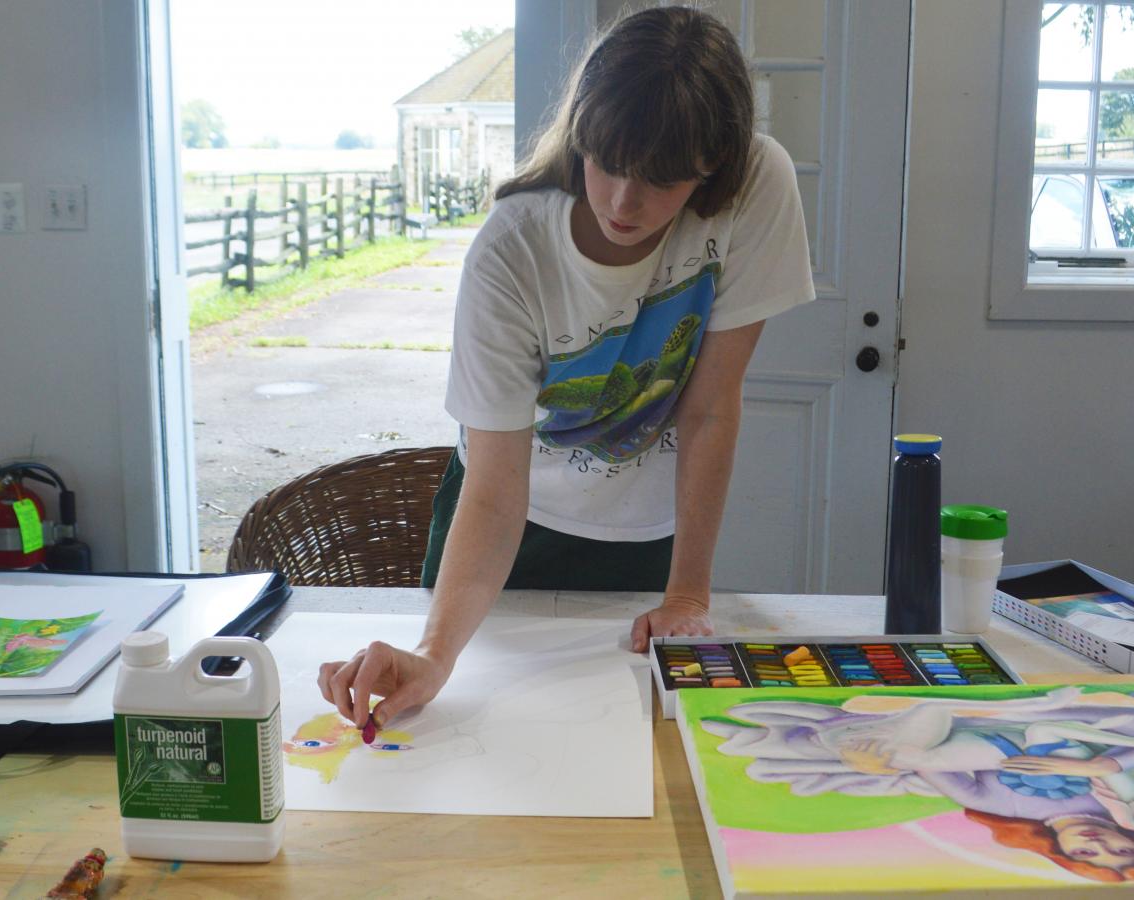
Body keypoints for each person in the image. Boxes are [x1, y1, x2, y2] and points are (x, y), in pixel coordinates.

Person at [318, 6, 814, 732]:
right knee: (468, 740)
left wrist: (687, 596)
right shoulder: (510, 251)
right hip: (503, 521)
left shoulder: (757, 184)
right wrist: (433, 651)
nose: (624, 201)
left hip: (645, 533)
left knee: (617, 745)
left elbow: (710, 408)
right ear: (582, 130)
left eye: (663, 180)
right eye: (608, 162)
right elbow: (493, 488)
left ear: (713, 169)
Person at [701, 687, 1134, 882]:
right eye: (1117, 848)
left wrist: (892, 762)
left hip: (987, 739)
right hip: (1074, 723)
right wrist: (1088, 768)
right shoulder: (1130, 803)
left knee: (909, 753)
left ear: (1064, 854)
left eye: (1089, 856)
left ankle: (900, 728)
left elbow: (947, 777)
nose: (1096, 843)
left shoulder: (999, 806)